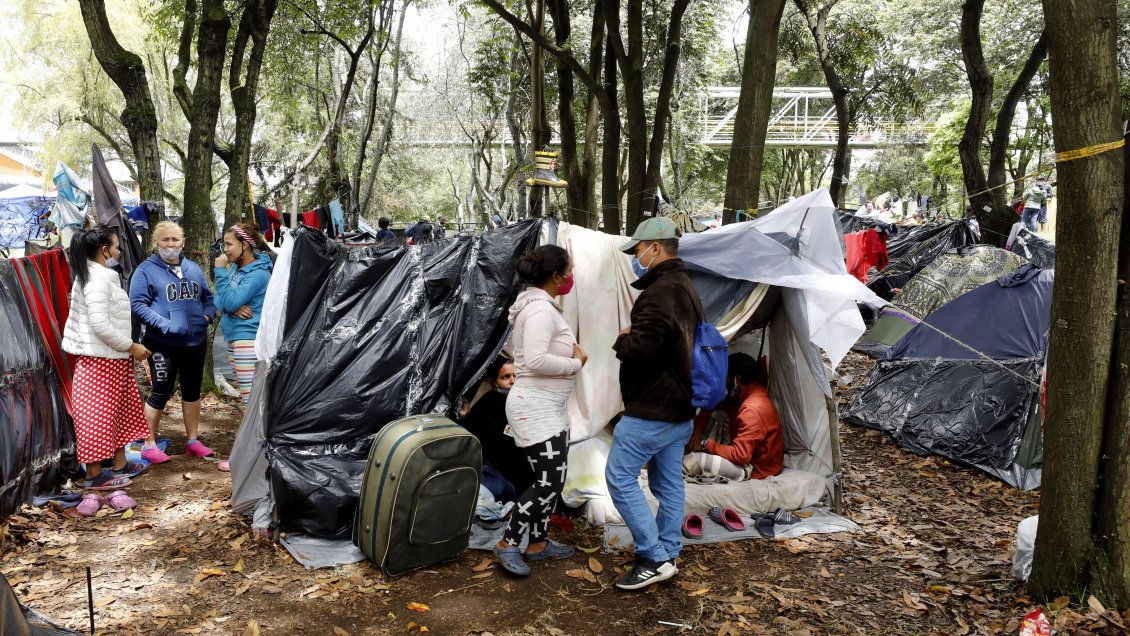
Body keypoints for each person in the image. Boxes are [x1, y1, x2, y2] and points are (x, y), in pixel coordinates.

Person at [606, 216, 701, 591]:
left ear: (655, 248)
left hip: (653, 408)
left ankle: (653, 557)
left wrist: (623, 338)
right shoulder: (687, 286)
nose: (636, 257)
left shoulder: (659, 293)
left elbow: (642, 352)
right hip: (681, 407)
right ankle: (669, 548)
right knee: (667, 482)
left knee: (619, 477)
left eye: (638, 250)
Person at [493, 245, 586, 577]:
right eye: (569, 271)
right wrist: (575, 363)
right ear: (555, 275)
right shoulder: (539, 312)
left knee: (551, 481)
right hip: (536, 409)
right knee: (547, 484)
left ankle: (538, 543)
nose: (571, 277)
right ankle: (509, 541)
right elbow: (532, 361)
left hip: (549, 408)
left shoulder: (539, 307)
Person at [61, 225, 150, 502]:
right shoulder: (97, 279)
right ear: (104, 250)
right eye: (117, 246)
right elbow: (100, 325)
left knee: (121, 412)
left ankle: (120, 464)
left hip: (112, 359)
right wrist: (131, 346)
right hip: (100, 359)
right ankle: (94, 475)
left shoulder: (97, 275)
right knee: (96, 418)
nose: (119, 251)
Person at [129, 221, 217, 463]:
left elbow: (208, 297)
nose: (171, 245)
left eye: (175, 240)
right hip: (162, 344)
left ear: (183, 242)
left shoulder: (194, 269)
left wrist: (207, 317)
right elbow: (137, 305)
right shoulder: (145, 270)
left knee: (192, 391)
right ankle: (148, 444)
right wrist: (166, 325)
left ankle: (192, 441)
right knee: (160, 391)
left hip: (195, 342)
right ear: (156, 242)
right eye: (165, 240)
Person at [684, 353, 783, 482]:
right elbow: (712, 404)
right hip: (752, 460)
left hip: (755, 470)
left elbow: (740, 455)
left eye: (726, 378)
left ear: (736, 379)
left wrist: (705, 445)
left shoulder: (751, 409)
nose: (725, 383)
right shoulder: (753, 394)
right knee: (717, 412)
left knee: (692, 460)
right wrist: (696, 436)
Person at [213, 223, 273, 405]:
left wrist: (220, 271)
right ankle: (253, 432)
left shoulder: (257, 273)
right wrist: (233, 307)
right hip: (235, 337)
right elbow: (217, 299)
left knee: (250, 396)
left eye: (229, 244)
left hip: (248, 338)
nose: (225, 250)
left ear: (244, 245)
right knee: (248, 393)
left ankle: (254, 433)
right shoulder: (237, 269)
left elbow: (228, 301)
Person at [462, 358, 533, 502]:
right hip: (493, 468)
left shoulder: (528, 403)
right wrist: (463, 418)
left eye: (516, 375)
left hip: (521, 468)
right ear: (494, 384)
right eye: (505, 377)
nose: (512, 381)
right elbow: (470, 439)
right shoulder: (486, 406)